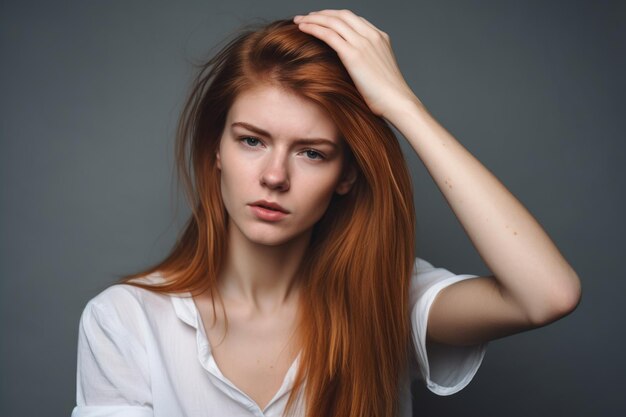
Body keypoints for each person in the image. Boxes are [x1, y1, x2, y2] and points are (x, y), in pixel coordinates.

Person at [71, 9, 581, 417]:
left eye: (311, 152)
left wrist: (404, 108)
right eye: (252, 140)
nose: (275, 176)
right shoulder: (125, 320)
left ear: (347, 176)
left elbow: (547, 295)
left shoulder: (385, 300)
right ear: (216, 151)